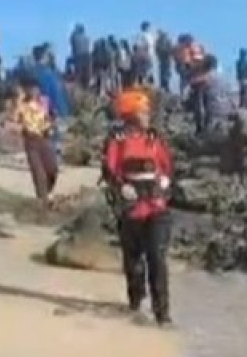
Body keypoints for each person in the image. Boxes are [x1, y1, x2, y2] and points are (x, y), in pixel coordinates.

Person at [105, 89, 174, 326]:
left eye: (147, 112)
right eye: (143, 112)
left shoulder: (155, 138)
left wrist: (166, 180)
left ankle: (162, 313)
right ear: (131, 115)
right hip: (131, 207)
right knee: (133, 260)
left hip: (156, 206)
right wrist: (121, 185)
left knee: (157, 257)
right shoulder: (118, 140)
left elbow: (166, 166)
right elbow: (111, 169)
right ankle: (136, 300)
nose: (147, 116)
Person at [12, 77, 58, 204]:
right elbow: (14, 120)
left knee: (52, 168)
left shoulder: (45, 101)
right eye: (31, 89)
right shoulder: (22, 104)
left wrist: (52, 125)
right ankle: (42, 200)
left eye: (35, 89)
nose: (34, 91)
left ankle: (48, 192)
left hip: (45, 137)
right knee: (38, 172)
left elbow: (53, 116)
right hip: (31, 140)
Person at [70, 24, 92, 89]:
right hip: (87, 56)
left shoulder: (75, 37)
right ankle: (86, 88)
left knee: (78, 74)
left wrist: (74, 31)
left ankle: (79, 89)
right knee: (86, 75)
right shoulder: (87, 38)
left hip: (78, 56)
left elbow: (71, 41)